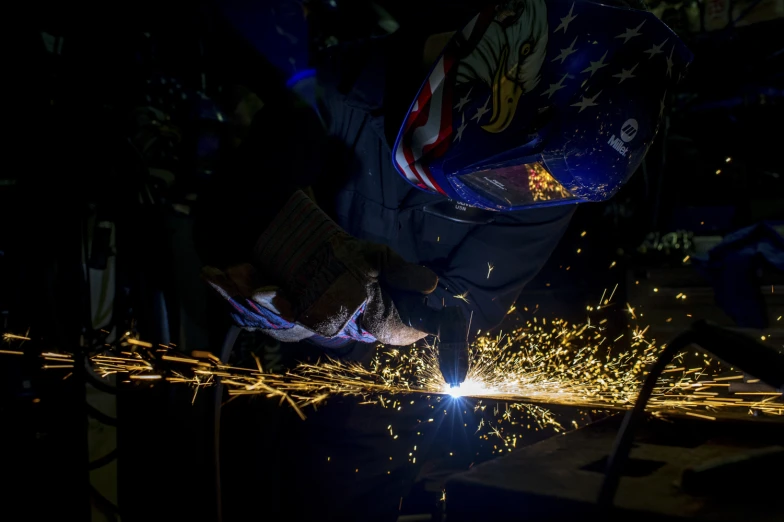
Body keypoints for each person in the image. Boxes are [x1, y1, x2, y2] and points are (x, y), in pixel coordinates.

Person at [196, 0, 692, 519]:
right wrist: (304, 260)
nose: (523, 190)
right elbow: (229, 214)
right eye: (513, 176)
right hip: (266, 373)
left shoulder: (552, 177)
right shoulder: (334, 92)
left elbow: (472, 298)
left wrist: (410, 316)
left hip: (380, 397)